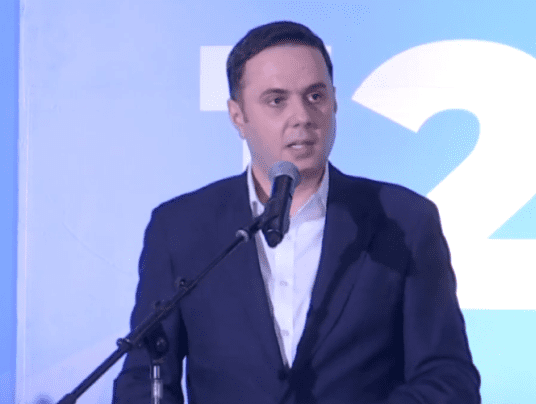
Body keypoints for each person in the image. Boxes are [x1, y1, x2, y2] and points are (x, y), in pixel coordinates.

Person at [113, 21, 481, 403]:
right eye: (277, 100)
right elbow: (144, 380)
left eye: (315, 96)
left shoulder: (404, 220)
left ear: (334, 102)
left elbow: (448, 379)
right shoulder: (180, 228)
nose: (302, 116)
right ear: (238, 115)